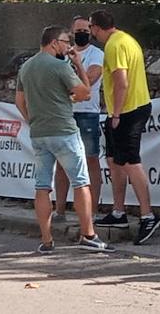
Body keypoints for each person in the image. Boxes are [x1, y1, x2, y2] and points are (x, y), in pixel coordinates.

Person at [15, 25, 114, 253]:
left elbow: (19, 101)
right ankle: (88, 234)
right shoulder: (60, 66)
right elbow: (85, 93)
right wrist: (78, 64)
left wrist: (32, 120)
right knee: (80, 182)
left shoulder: (26, 67)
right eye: (65, 41)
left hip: (39, 133)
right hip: (64, 131)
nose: (69, 46)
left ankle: (47, 240)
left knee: (42, 186)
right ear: (53, 43)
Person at [89, 10, 160, 245]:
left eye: (91, 28)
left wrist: (117, 113)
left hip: (129, 109)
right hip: (124, 109)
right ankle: (118, 212)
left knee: (130, 161)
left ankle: (148, 215)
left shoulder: (114, 45)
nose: (91, 33)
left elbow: (121, 81)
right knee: (113, 159)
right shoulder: (127, 39)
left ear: (97, 27)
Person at [54, 16, 105, 220]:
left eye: (86, 30)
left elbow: (90, 81)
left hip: (87, 113)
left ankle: (91, 211)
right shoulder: (61, 55)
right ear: (71, 33)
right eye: (78, 31)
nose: (82, 34)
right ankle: (59, 209)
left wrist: (76, 65)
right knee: (61, 162)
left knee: (91, 159)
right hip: (65, 112)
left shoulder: (96, 54)